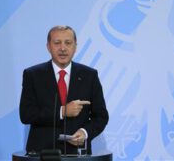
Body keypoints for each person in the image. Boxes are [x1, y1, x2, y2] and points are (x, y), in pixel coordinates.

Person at [19, 25, 109, 155]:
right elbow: (26, 114)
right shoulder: (33, 75)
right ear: (48, 46)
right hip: (41, 153)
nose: (63, 48)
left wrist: (85, 132)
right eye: (57, 43)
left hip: (77, 154)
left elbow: (101, 116)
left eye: (68, 43)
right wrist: (62, 111)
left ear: (75, 47)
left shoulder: (89, 76)